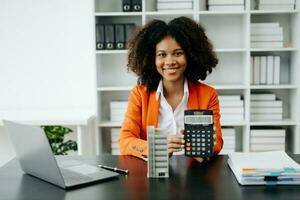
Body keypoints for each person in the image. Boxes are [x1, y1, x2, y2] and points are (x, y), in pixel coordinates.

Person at [118, 16, 223, 162]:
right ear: (151, 59)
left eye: (178, 53)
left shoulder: (208, 94)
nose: (170, 61)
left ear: (190, 56)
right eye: (162, 55)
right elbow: (125, 140)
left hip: (195, 174)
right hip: (153, 176)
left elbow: (217, 141)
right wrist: (157, 147)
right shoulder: (140, 94)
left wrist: (204, 147)